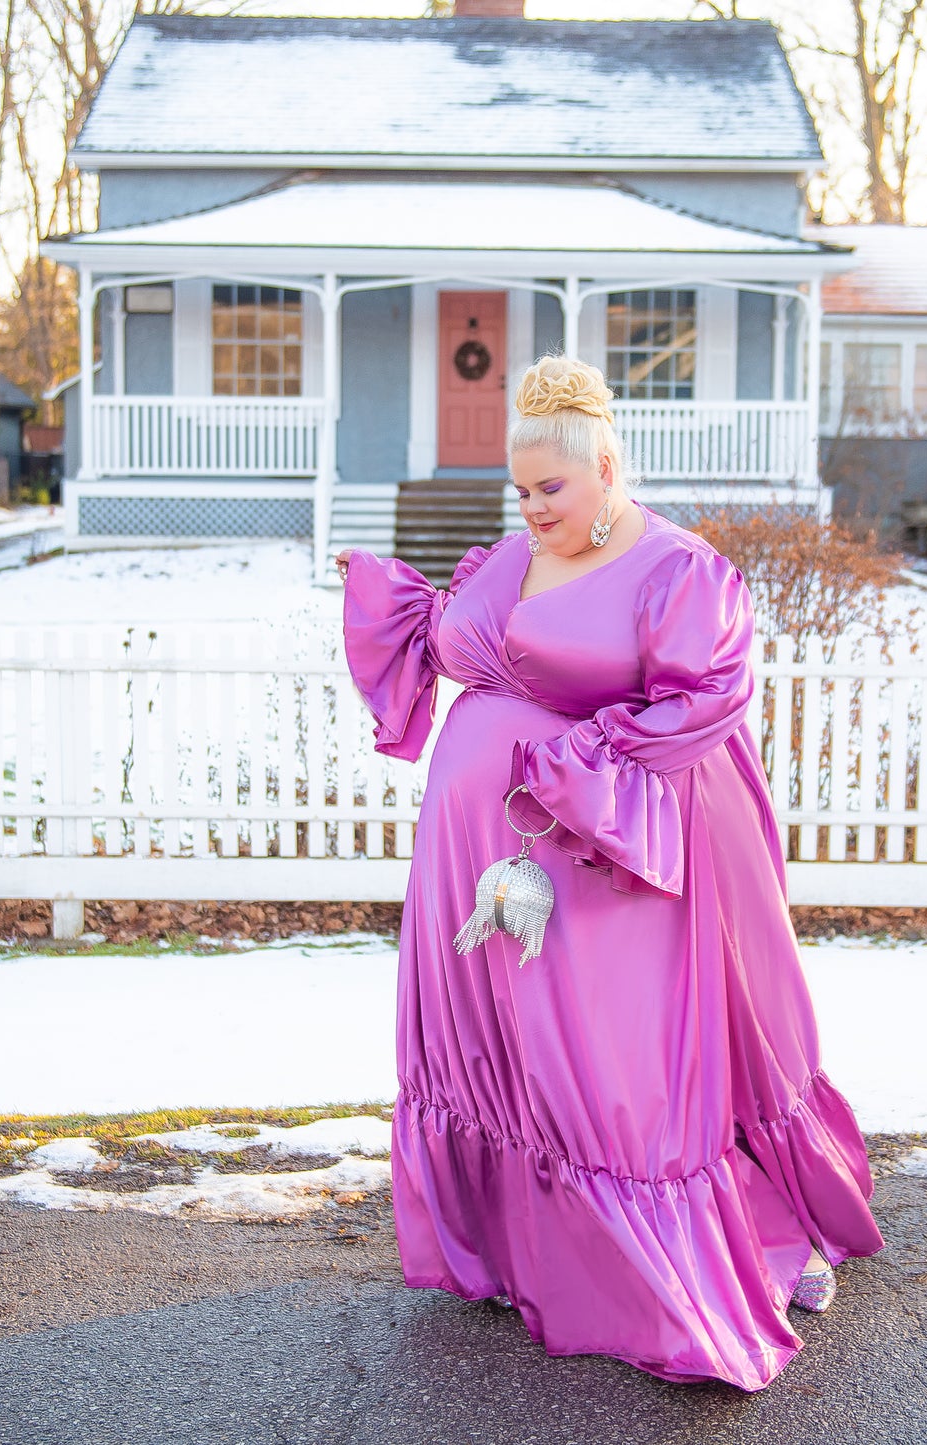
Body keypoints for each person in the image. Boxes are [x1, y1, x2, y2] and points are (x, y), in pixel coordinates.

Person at [336, 355, 885, 1391]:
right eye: (519, 490)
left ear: (605, 467)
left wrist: (576, 765)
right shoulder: (510, 557)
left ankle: (678, 1261)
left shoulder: (677, 570)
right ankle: (514, 1250)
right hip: (481, 863)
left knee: (610, 1063)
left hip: (604, 853)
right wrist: (388, 602)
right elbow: (453, 644)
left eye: (550, 487)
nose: (532, 508)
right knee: (506, 1054)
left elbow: (700, 701)